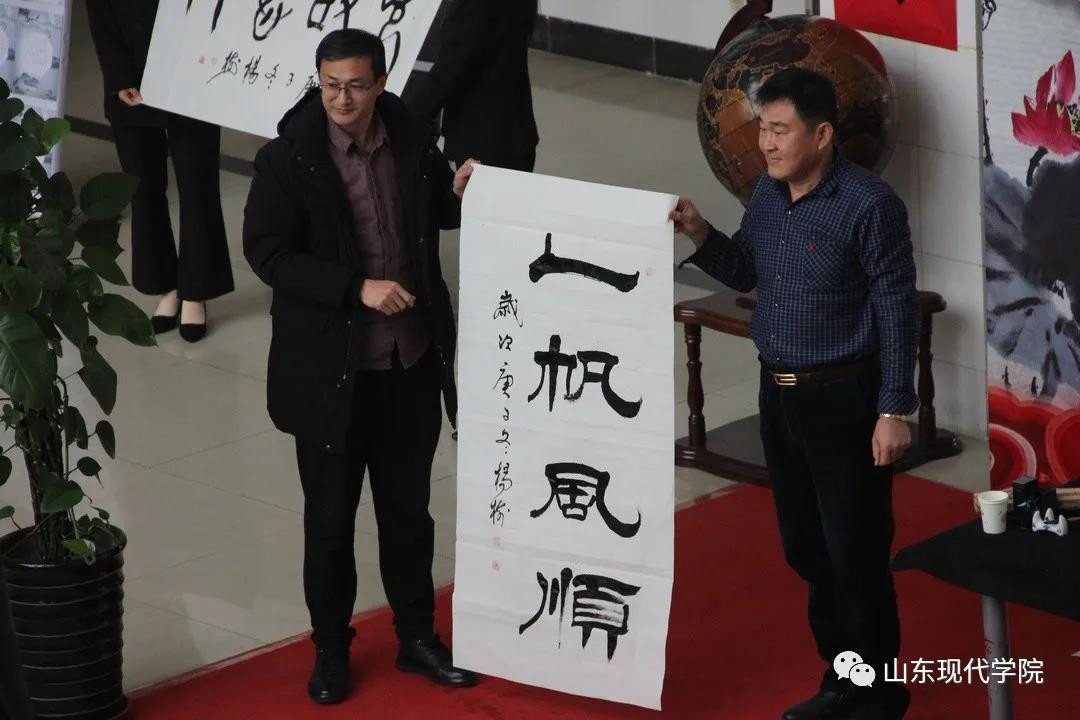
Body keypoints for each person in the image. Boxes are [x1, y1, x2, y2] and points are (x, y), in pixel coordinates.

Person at [672, 68, 917, 720]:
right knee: (805, 545)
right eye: (763, 128)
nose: (766, 143)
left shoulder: (869, 205)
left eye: (780, 130)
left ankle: (876, 693)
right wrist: (700, 234)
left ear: (823, 135)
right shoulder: (767, 194)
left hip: (845, 400)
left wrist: (894, 409)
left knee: (855, 549)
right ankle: (842, 677)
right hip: (778, 397)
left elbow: (896, 311)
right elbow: (746, 270)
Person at [243, 28, 478, 705]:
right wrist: (356, 287)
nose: (341, 99)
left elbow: (434, 211)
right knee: (329, 523)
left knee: (409, 515)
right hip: (331, 376)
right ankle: (330, 652)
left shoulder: (411, 138)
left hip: (408, 362)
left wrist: (460, 189)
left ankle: (417, 638)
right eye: (330, 86)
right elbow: (268, 254)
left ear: (380, 83)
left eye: (354, 86)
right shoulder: (288, 159)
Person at [86, 0, 234, 341]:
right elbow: (100, 13)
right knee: (142, 189)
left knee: (197, 186)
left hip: (192, 69)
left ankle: (196, 290)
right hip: (130, 72)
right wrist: (119, 77)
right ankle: (167, 285)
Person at [403, 0, 539, 171]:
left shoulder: (475, 5)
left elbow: (450, 70)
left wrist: (400, 118)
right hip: (512, 129)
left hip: (485, 137)